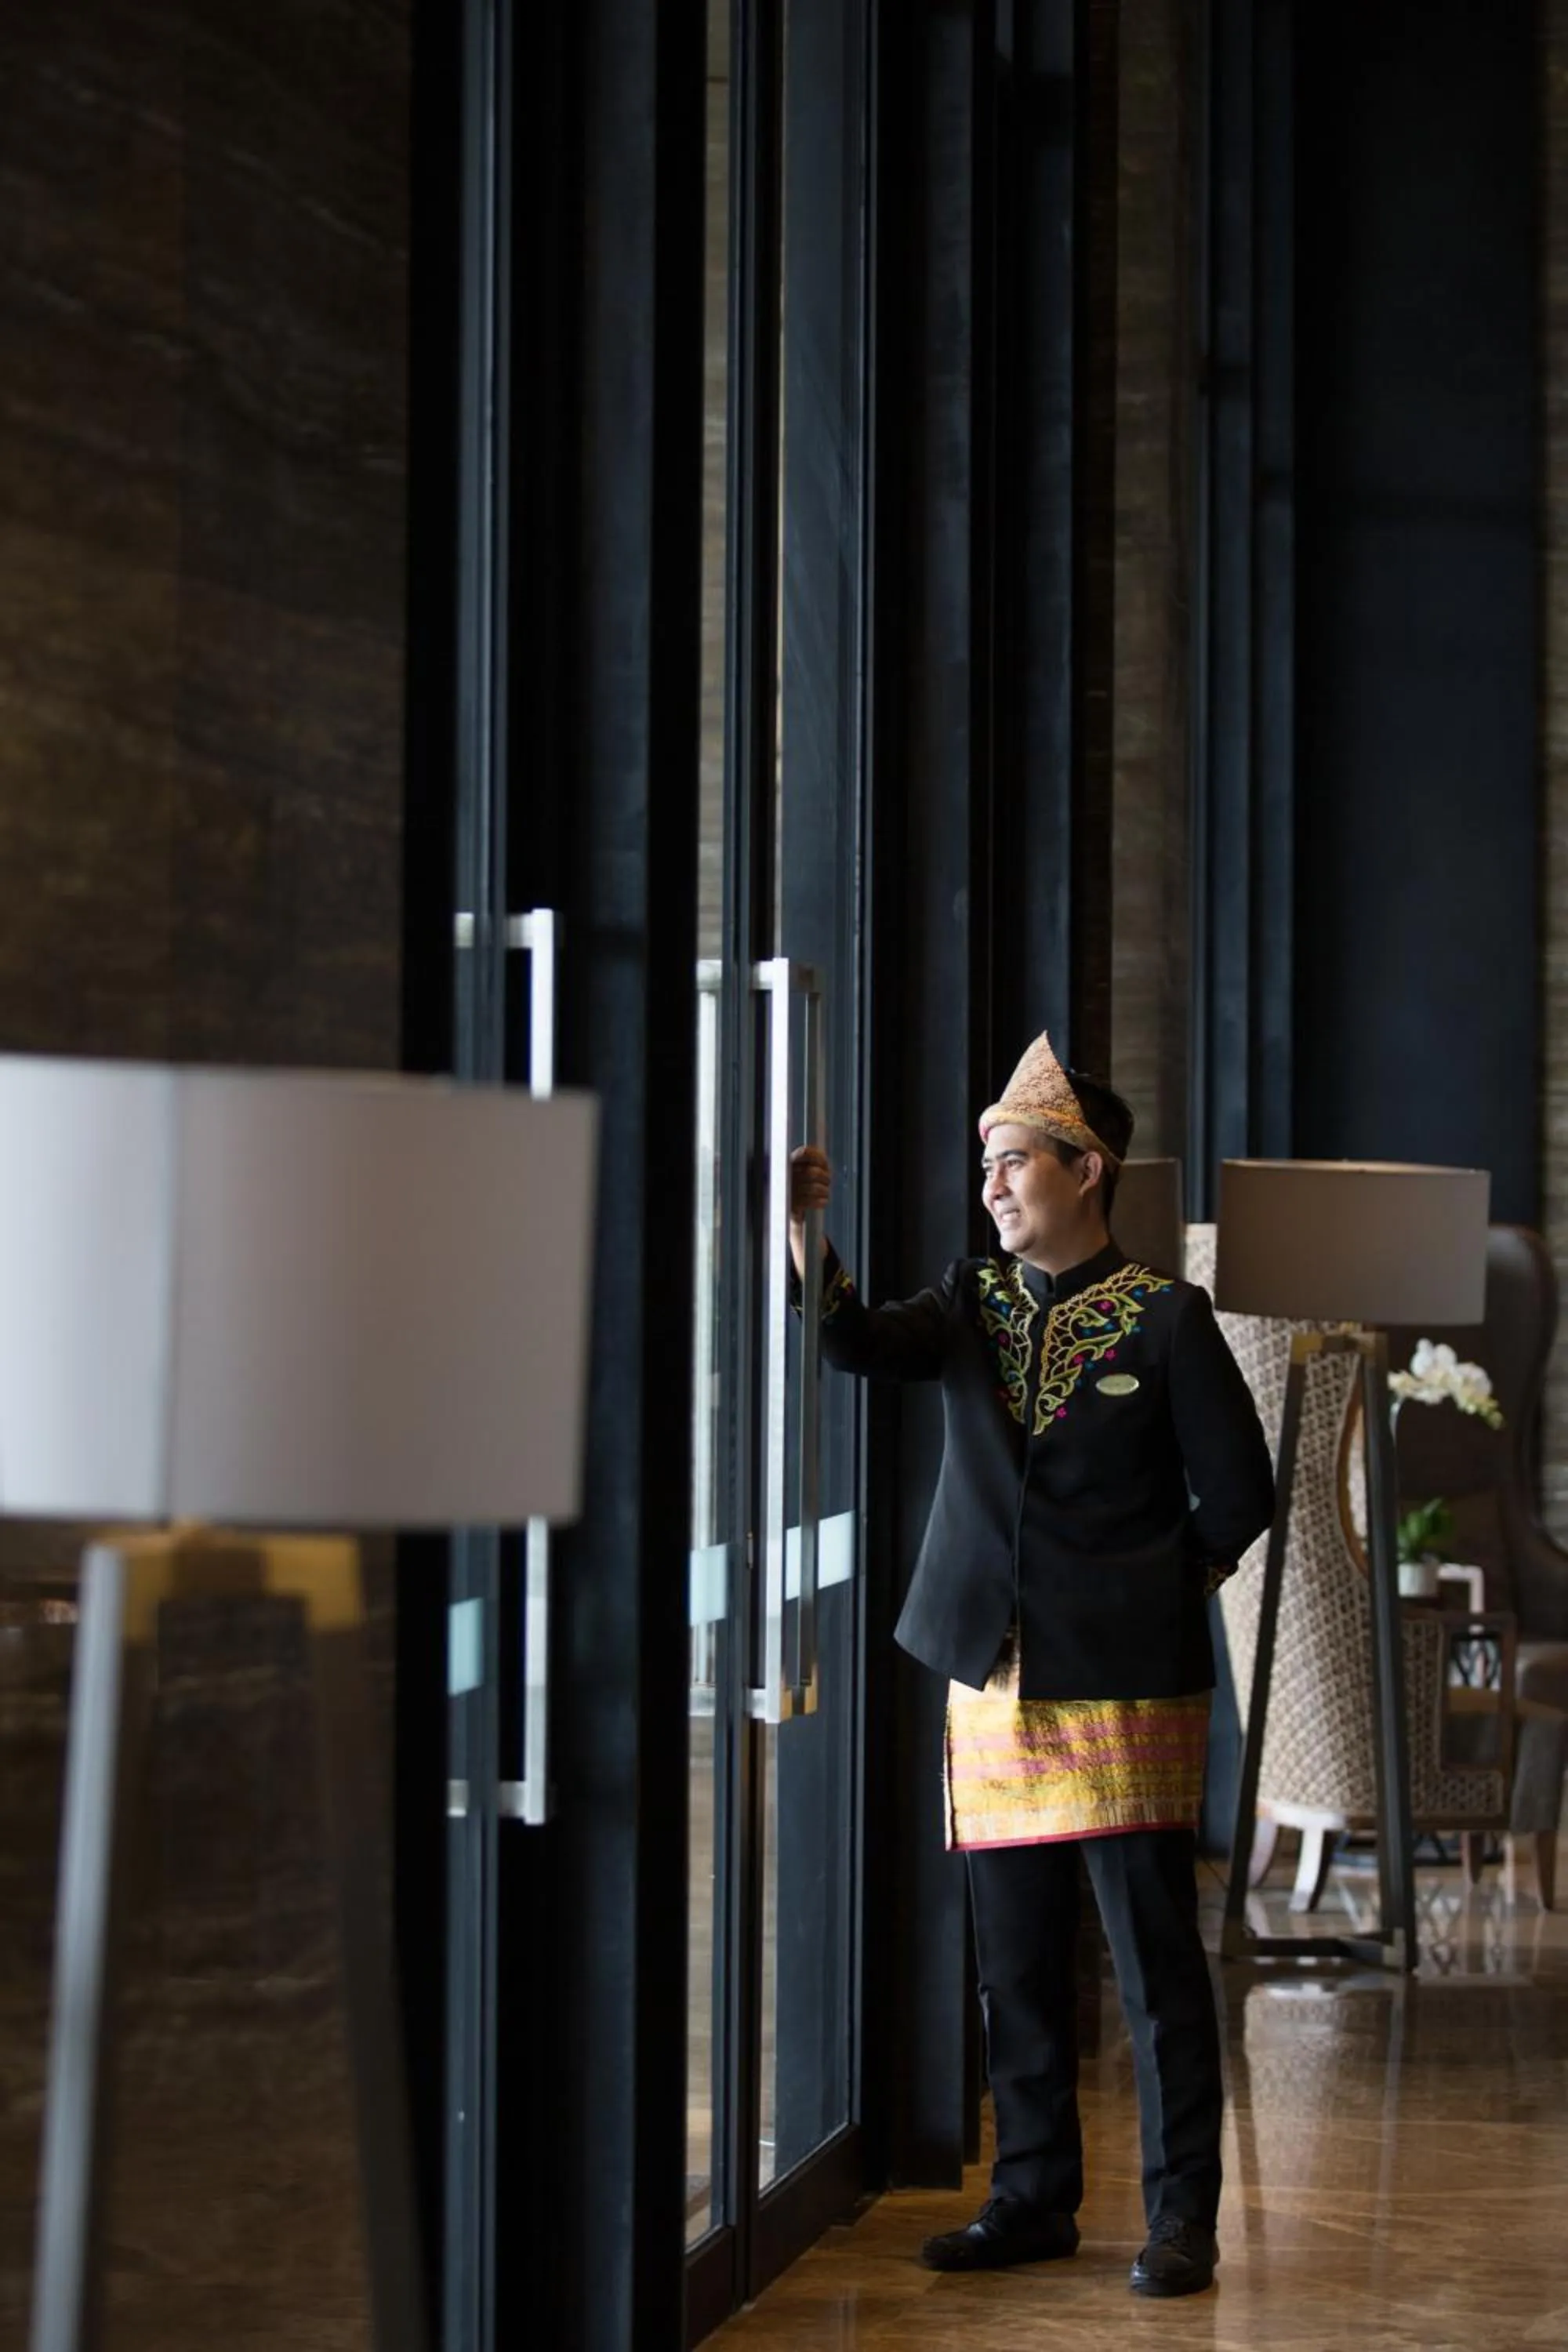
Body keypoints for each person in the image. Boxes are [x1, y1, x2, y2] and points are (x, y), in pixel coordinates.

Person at [789, 1029, 1274, 2299]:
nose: (994, 1186)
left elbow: (1240, 1494)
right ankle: (1032, 2200)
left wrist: (1153, 1593)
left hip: (1129, 1688)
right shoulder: (969, 1301)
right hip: (990, 1684)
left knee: (1156, 1968)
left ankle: (1182, 2223)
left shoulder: (1168, 1319)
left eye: (1015, 1165)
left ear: (1088, 1171)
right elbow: (850, 1344)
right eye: (988, 1167)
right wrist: (802, 1234)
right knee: (1015, 1963)